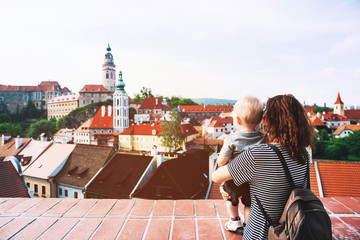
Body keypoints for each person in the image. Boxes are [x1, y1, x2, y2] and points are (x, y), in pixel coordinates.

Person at [212, 94, 315, 239]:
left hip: (261, 233)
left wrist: (226, 186)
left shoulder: (258, 154)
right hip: (294, 229)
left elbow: (215, 177)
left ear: (269, 121)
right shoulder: (304, 154)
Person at [217, 96, 264, 232]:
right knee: (249, 203)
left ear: (237, 120)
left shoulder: (231, 138)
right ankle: (248, 226)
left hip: (234, 178)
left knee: (230, 197)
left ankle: (234, 221)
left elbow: (221, 161)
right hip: (254, 179)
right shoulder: (263, 137)